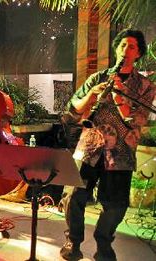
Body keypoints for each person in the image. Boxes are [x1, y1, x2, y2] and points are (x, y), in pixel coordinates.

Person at [60, 29, 156, 261]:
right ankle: (73, 242)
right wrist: (91, 96)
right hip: (89, 146)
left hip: (121, 150)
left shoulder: (145, 86)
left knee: (115, 205)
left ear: (138, 53)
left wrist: (120, 95)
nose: (126, 49)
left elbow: (138, 120)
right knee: (73, 196)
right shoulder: (98, 77)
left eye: (132, 46)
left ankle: (104, 244)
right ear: (116, 49)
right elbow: (72, 113)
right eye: (122, 44)